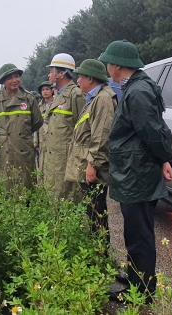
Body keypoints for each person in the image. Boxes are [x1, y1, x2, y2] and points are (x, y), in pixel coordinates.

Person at [99, 40, 172, 301]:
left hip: (137, 173)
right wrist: (164, 159)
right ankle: (135, 278)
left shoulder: (138, 90)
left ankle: (142, 292)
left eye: (108, 62)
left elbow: (152, 131)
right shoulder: (135, 87)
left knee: (140, 235)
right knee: (134, 231)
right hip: (135, 171)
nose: (107, 67)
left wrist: (164, 158)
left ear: (118, 65)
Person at [65, 59, 117, 241]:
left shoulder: (103, 99)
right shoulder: (94, 98)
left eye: (80, 76)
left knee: (97, 214)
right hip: (89, 163)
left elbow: (101, 135)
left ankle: (101, 258)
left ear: (90, 79)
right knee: (92, 213)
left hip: (93, 166)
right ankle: (97, 254)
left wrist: (93, 164)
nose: (78, 80)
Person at [0, 63, 43, 190]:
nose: (15, 80)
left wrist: (22, 134)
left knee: (27, 185)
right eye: (10, 78)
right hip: (4, 150)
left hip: (24, 150)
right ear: (3, 81)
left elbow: (37, 122)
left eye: (16, 76)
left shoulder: (28, 98)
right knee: (5, 185)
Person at [43, 53, 85, 199]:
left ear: (61, 73)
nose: (49, 75)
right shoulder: (58, 96)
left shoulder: (76, 95)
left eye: (51, 71)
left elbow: (84, 129)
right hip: (54, 161)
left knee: (69, 200)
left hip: (67, 161)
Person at [33, 81, 53, 175]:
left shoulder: (57, 104)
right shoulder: (39, 107)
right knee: (41, 166)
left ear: (52, 91)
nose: (45, 92)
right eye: (43, 90)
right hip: (41, 140)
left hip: (53, 139)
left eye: (47, 89)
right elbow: (36, 125)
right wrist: (36, 143)